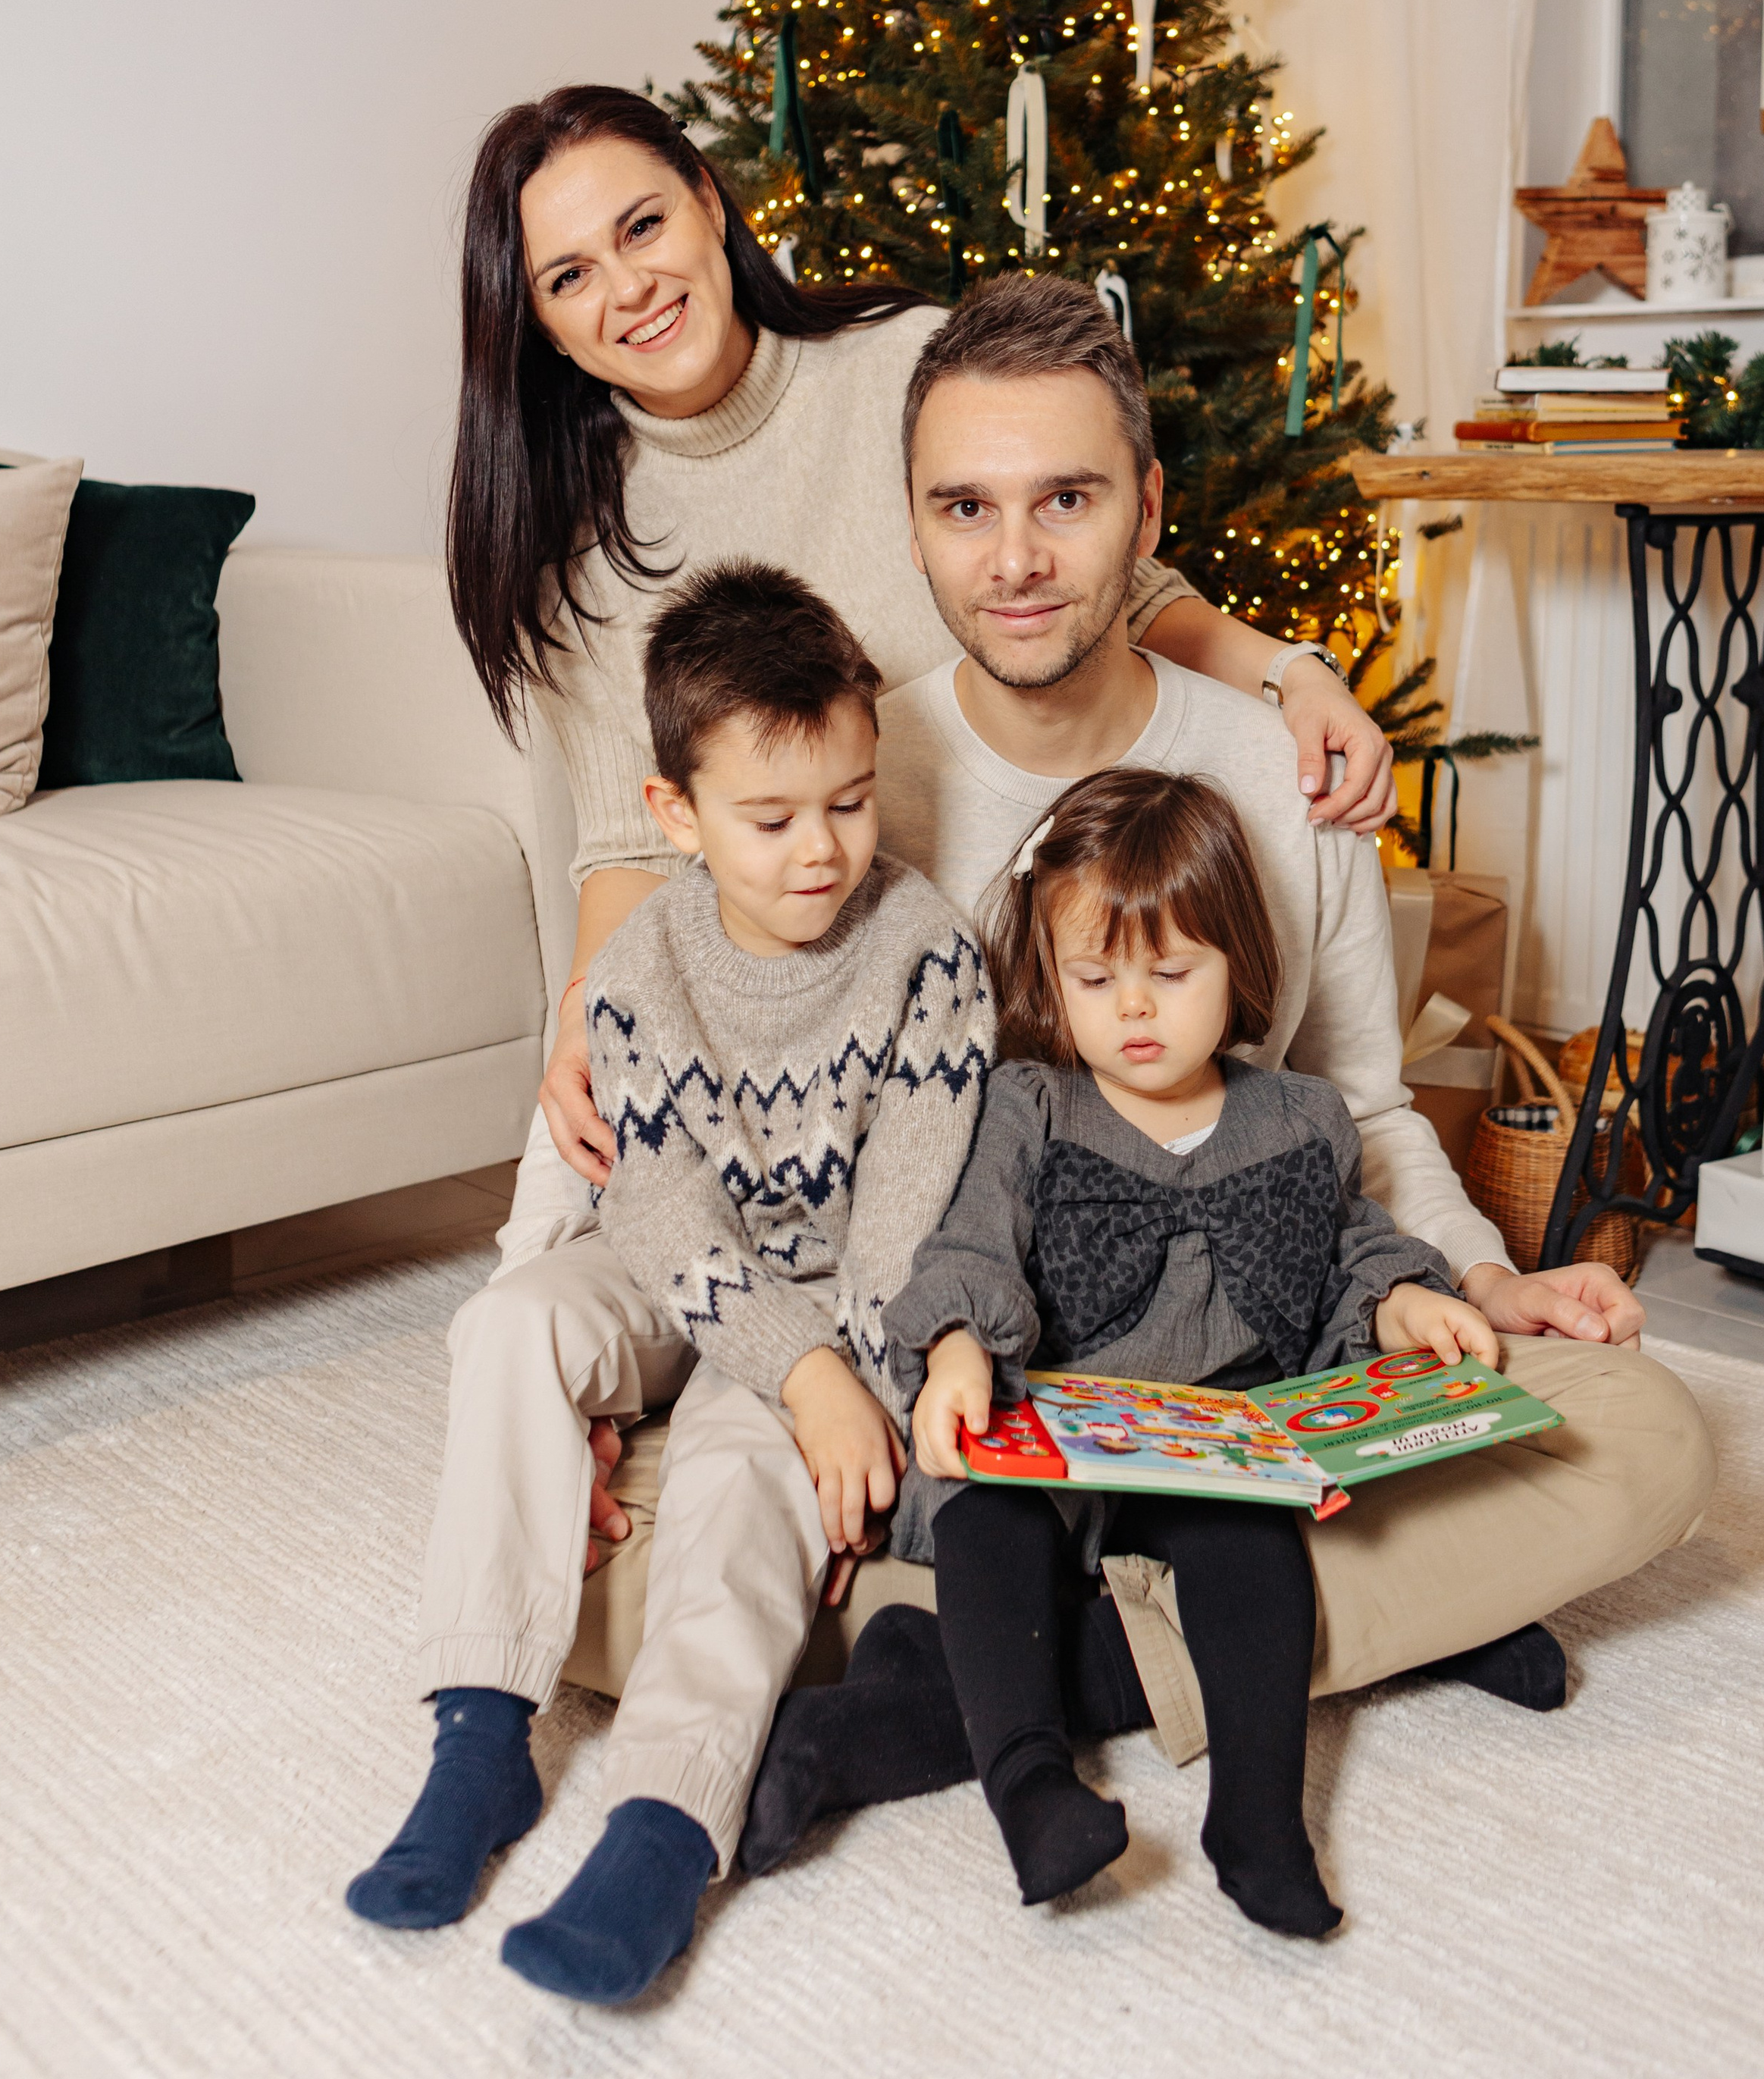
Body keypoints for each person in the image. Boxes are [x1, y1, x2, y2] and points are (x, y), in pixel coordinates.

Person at [735, 275, 1714, 1870]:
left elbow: (1356, 1100)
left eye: (1067, 497)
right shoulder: (857, 781)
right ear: (910, 526)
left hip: (1246, 1384)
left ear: (1147, 512)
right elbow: (735, 1105)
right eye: (964, 508)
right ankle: (1370, 1626)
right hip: (975, 1390)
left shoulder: (1270, 763)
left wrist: (1477, 1274)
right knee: (688, 1559)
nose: (1016, 558)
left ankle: (950, 1702)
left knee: (1647, 1437)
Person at [444, 83, 1398, 1262]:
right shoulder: (574, 544)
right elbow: (636, 844)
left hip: (1021, 892)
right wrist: (591, 1017)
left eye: (642, 227)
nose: (628, 287)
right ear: (539, 322)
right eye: (569, 275)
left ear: (707, 199)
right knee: (596, 1153)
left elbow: (1102, 585)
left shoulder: (905, 361)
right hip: (805, 956)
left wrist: (1291, 676)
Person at [347, 564, 992, 2004]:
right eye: (771, 818)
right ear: (678, 815)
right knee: (512, 1322)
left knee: (734, 1467)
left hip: (834, 1294)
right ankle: (480, 1741)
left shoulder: (930, 957)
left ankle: (662, 1824)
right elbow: (656, 1210)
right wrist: (801, 1369)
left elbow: (906, 1217)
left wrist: (829, 1380)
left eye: (848, 798)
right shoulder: (639, 968)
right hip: (668, 1270)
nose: (821, 848)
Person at [887, 766, 1495, 1937]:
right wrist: (959, 1347)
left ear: (1239, 968)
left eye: (1172, 973)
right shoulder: (1033, 1102)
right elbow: (970, 1242)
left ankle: (1258, 1818)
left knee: (1253, 1546)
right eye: (1096, 977)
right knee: (987, 1515)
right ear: (1050, 979)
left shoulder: (1299, 1117)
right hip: (1055, 1418)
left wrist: (1412, 1305)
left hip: (1216, 1431)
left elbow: (1350, 1249)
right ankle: (1030, 1786)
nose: (1134, 1009)